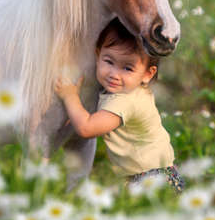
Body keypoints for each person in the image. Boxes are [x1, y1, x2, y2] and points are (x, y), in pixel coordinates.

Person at [55, 18, 185, 193]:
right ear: (97, 54)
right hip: (158, 173)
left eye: (128, 68)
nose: (114, 74)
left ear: (147, 74)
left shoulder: (124, 101)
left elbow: (86, 127)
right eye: (109, 62)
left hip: (151, 178)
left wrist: (70, 96)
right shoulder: (129, 89)